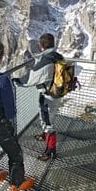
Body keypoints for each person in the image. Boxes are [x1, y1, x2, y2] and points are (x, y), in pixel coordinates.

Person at [0, 40, 35, 191]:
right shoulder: (2, 79)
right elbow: (10, 112)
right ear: (1, 57)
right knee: (15, 153)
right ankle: (17, 183)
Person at [16, 33, 63, 161]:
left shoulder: (47, 60)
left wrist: (17, 81)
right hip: (56, 94)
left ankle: (50, 151)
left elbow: (30, 78)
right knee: (47, 118)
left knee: (48, 123)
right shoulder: (58, 56)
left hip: (48, 97)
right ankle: (44, 135)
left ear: (41, 45)